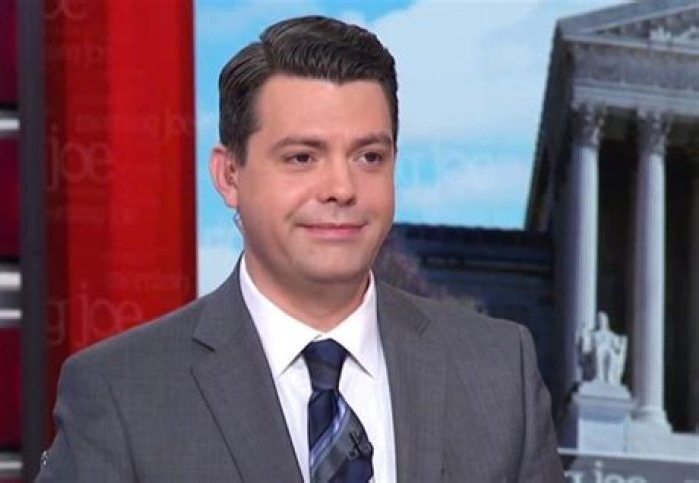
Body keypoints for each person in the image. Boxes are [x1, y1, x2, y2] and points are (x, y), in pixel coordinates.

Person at [36, 15, 564, 482]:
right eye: (302, 158)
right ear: (229, 174)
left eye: (369, 157)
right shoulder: (122, 392)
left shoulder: (498, 370)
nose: (342, 188)